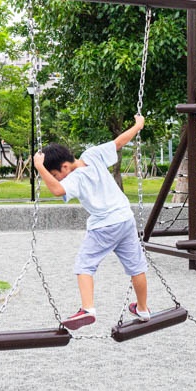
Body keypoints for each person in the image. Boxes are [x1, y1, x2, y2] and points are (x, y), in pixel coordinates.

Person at [33, 115, 149, 330]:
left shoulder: (73, 179)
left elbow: (57, 191)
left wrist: (39, 167)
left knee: (84, 265)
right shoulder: (93, 155)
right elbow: (119, 142)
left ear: (65, 166)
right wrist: (138, 125)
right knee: (136, 267)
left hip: (104, 226)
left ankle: (88, 309)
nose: (57, 179)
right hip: (125, 218)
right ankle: (142, 308)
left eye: (55, 174)